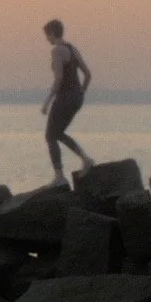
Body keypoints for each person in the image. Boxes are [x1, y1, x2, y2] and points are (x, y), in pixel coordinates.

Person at [40, 18, 97, 186]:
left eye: (47, 35)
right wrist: (80, 93)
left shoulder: (57, 51)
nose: (47, 39)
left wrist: (47, 102)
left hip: (64, 98)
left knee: (50, 136)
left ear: (52, 33)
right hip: (76, 98)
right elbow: (88, 74)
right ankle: (85, 159)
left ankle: (59, 176)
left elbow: (58, 79)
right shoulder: (72, 49)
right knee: (58, 133)